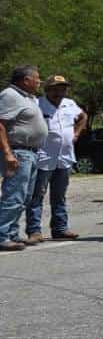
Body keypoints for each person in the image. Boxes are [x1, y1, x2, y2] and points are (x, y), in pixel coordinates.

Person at [26, 75, 87, 242]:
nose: (59, 92)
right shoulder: (37, 104)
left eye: (63, 88)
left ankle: (60, 229)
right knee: (36, 195)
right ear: (47, 89)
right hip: (43, 157)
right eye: (55, 88)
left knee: (59, 195)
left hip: (65, 157)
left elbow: (83, 117)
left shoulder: (70, 104)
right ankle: (34, 231)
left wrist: (76, 133)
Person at [0, 65, 46, 253]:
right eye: (37, 78)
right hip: (18, 152)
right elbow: (0, 125)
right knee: (14, 195)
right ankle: (2, 235)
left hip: (31, 153)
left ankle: (11, 233)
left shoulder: (28, 98)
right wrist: (8, 154)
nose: (39, 81)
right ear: (25, 80)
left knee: (25, 197)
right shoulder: (9, 95)